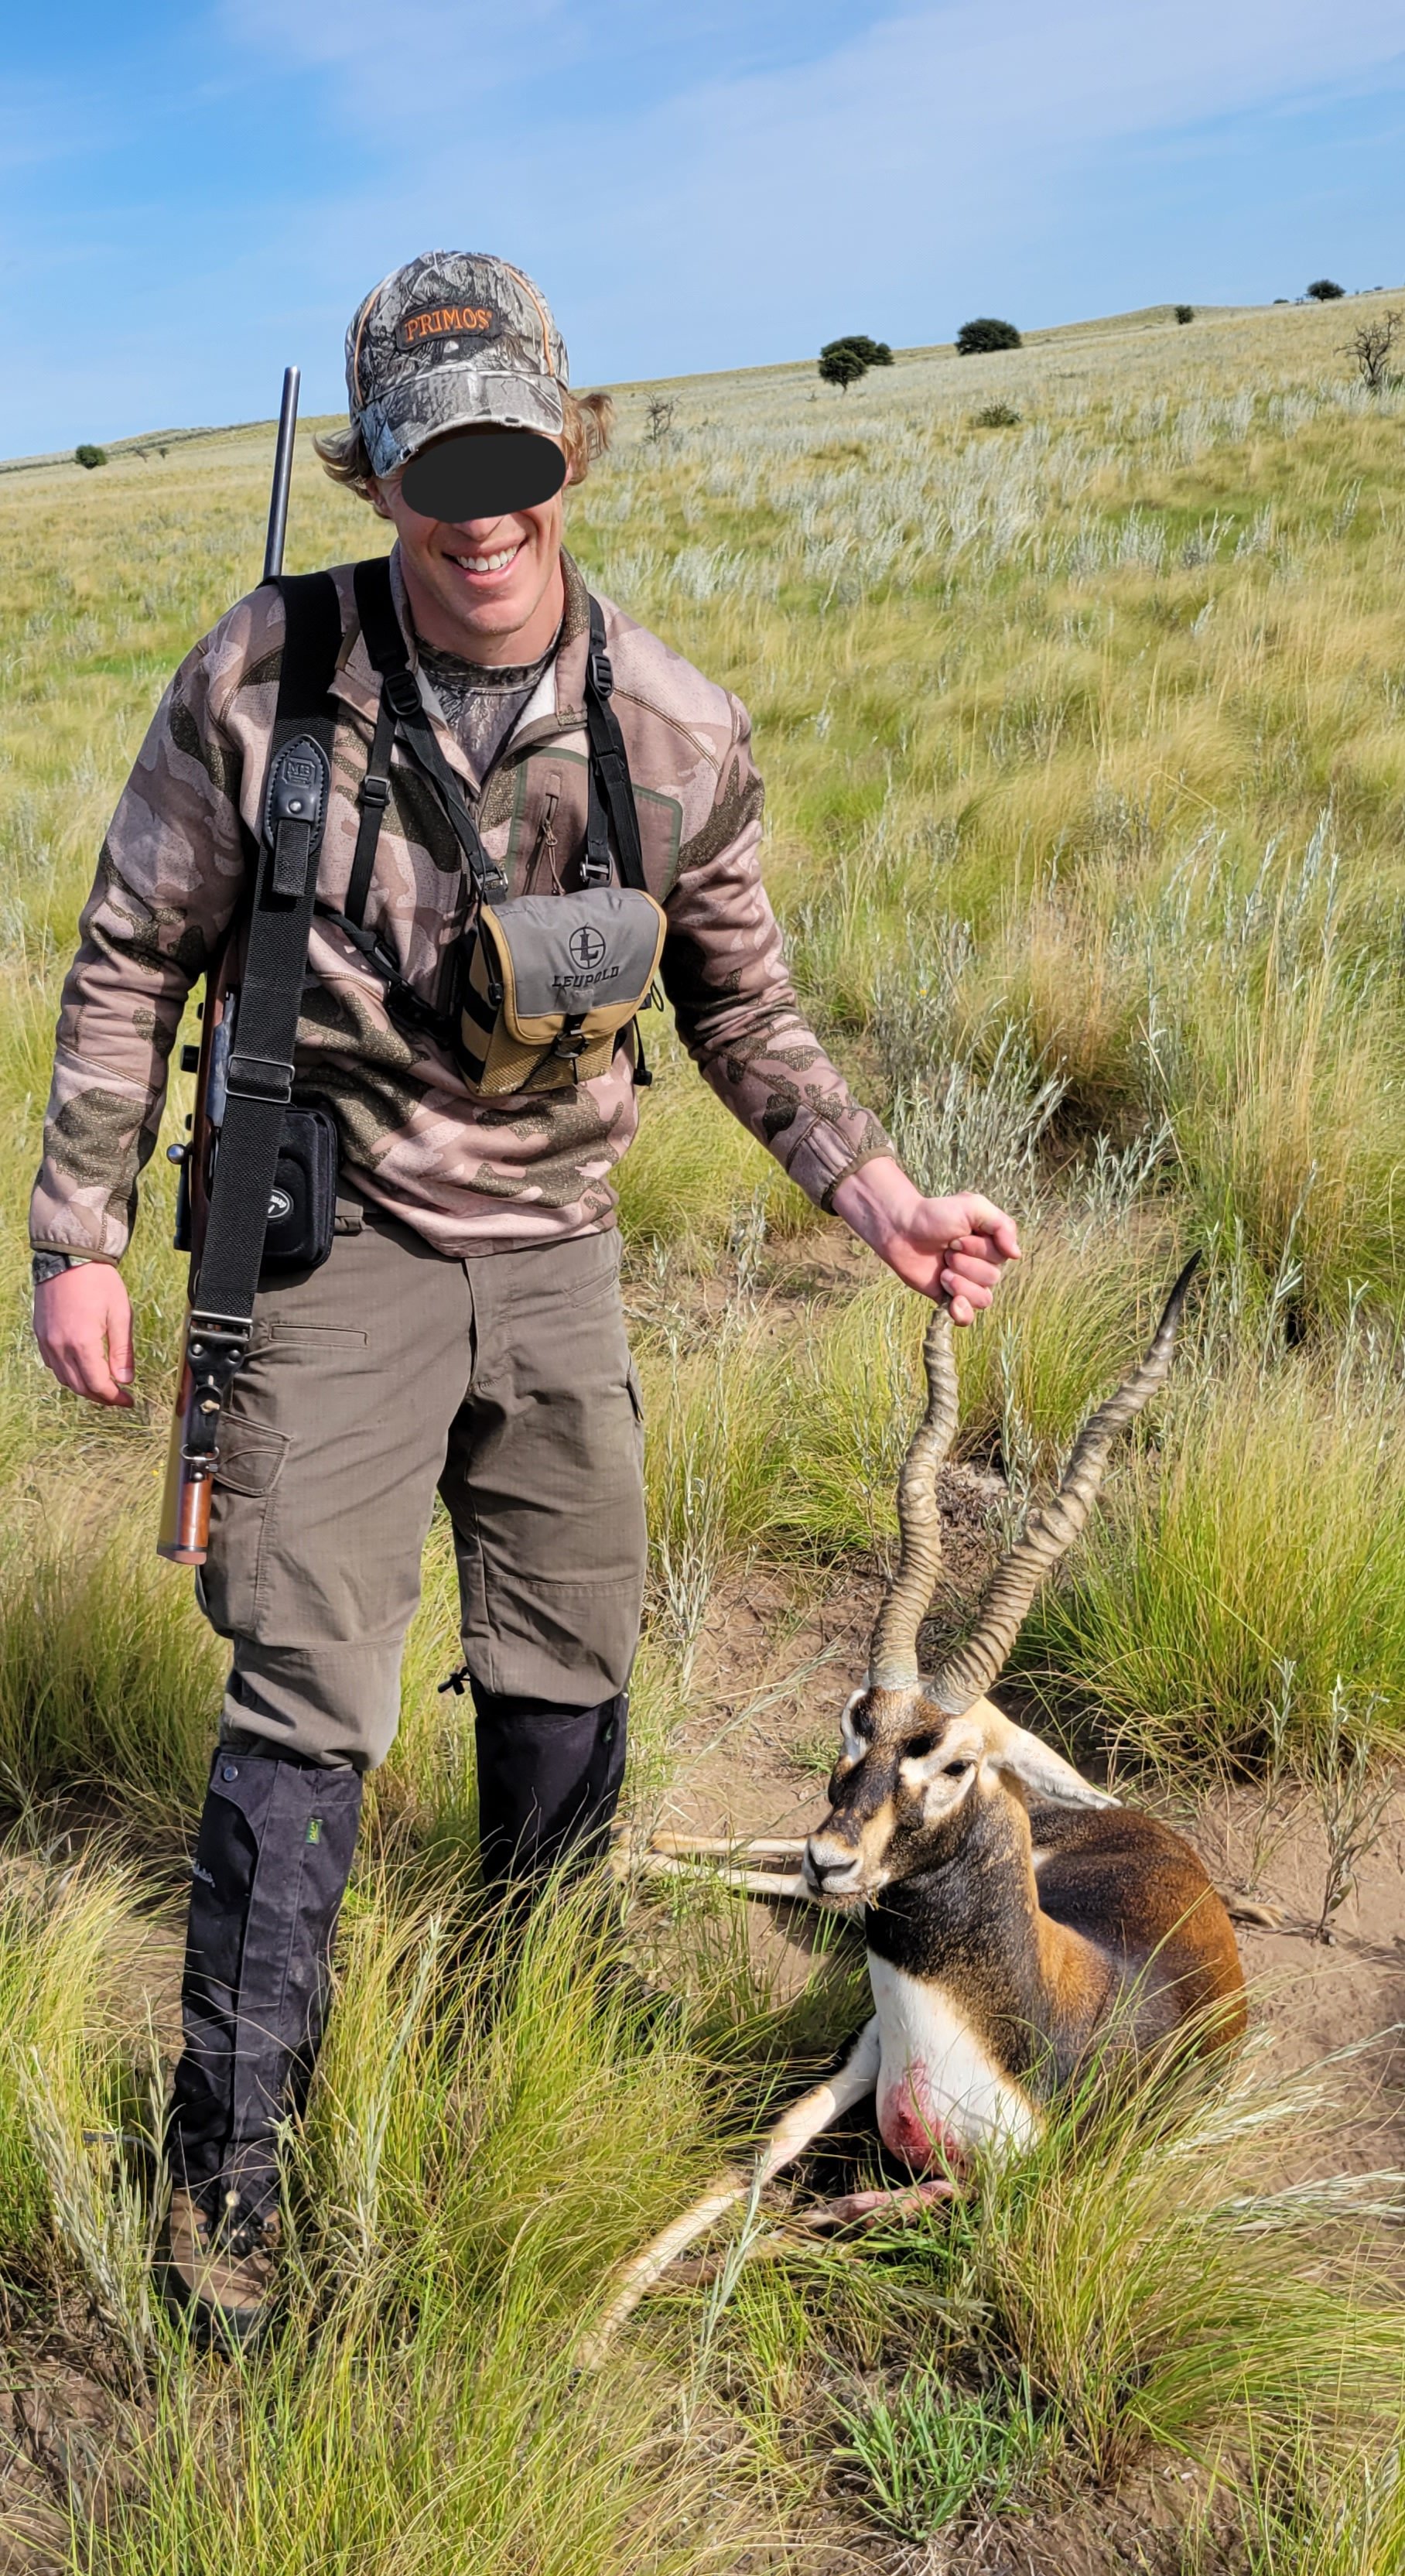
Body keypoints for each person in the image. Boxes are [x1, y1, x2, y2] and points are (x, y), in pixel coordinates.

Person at [29, 248, 1020, 2345]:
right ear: (378, 471)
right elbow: (128, 957)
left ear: (568, 450)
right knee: (307, 1706)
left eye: (509, 456)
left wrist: (882, 1198)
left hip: (559, 1268)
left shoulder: (674, 732)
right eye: (427, 465)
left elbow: (745, 1011)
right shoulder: (260, 683)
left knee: (569, 1682)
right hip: (331, 1255)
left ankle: (531, 2059)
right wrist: (82, 1239)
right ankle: (233, 2161)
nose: (476, 513)